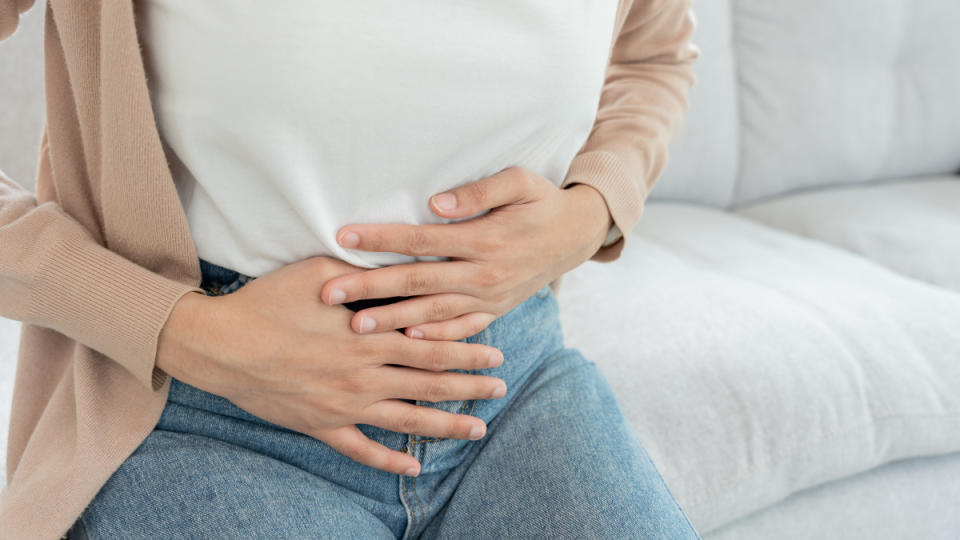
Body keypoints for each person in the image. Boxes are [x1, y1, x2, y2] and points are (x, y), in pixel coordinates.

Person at [0, 1, 700, 538]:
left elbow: (654, 56)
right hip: (197, 414)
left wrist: (589, 213)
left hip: (511, 382)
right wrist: (172, 326)